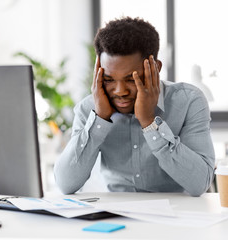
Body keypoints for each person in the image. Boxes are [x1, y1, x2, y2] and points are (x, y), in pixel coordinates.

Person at [54, 17, 215, 196]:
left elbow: (200, 184)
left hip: (178, 214)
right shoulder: (89, 109)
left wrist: (150, 123)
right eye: (108, 79)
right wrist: (99, 119)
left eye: (132, 79)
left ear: (156, 68)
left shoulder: (188, 101)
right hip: (115, 215)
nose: (120, 91)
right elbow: (65, 184)